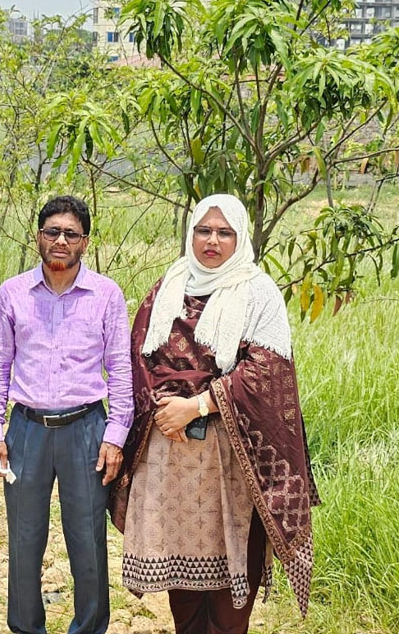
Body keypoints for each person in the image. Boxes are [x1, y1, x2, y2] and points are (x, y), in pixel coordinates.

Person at [115, 194, 320, 633]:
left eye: (224, 232)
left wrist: (196, 405)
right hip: (172, 454)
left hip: (232, 458)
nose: (212, 240)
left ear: (240, 238)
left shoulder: (258, 292)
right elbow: (139, 357)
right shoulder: (169, 286)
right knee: (182, 581)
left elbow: (267, 370)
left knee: (231, 590)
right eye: (204, 230)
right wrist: (165, 409)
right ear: (191, 234)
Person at [0, 195, 133, 634]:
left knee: (87, 538)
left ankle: (89, 628)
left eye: (71, 233)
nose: (61, 240)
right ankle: (26, 627)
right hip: (26, 430)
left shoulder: (106, 295)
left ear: (85, 241)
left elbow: (121, 371)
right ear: (38, 237)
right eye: (53, 232)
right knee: (24, 538)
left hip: (87, 430)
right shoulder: (12, 293)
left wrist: (115, 436)